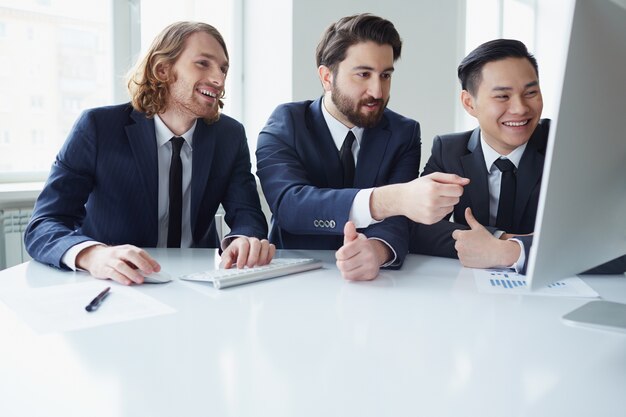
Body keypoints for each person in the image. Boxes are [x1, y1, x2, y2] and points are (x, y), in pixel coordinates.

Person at [25, 21, 275, 285]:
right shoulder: (98, 128)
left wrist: (244, 241)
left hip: (200, 283)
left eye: (223, 68)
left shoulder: (230, 136)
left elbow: (247, 214)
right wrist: (93, 255)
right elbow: (44, 224)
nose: (219, 79)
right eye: (203, 63)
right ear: (162, 69)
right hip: (115, 285)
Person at [256, 13, 468, 281]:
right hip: (293, 278)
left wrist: (377, 251)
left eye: (385, 75)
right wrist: (391, 199)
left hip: (376, 285)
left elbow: (398, 222)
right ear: (326, 77)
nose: (378, 91)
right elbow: (290, 206)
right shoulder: (286, 123)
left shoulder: (404, 132)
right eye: (363, 74)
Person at [410, 38, 626, 275]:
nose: (521, 108)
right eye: (503, 96)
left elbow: (616, 244)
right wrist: (499, 238)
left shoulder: (570, 147)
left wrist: (510, 251)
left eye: (531, 92)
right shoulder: (449, 150)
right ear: (469, 103)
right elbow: (418, 225)